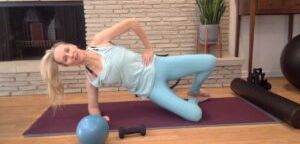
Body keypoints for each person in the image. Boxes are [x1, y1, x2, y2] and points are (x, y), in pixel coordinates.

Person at [40, 18, 217, 122]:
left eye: (67, 50)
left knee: (209, 61)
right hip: (151, 89)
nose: (71, 55)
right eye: (66, 59)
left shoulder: (99, 41)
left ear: (71, 45)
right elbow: (93, 107)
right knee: (195, 115)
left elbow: (132, 22)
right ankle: (193, 100)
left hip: (158, 65)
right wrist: (98, 119)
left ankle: (194, 92)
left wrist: (148, 48)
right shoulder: (91, 79)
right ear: (67, 65)